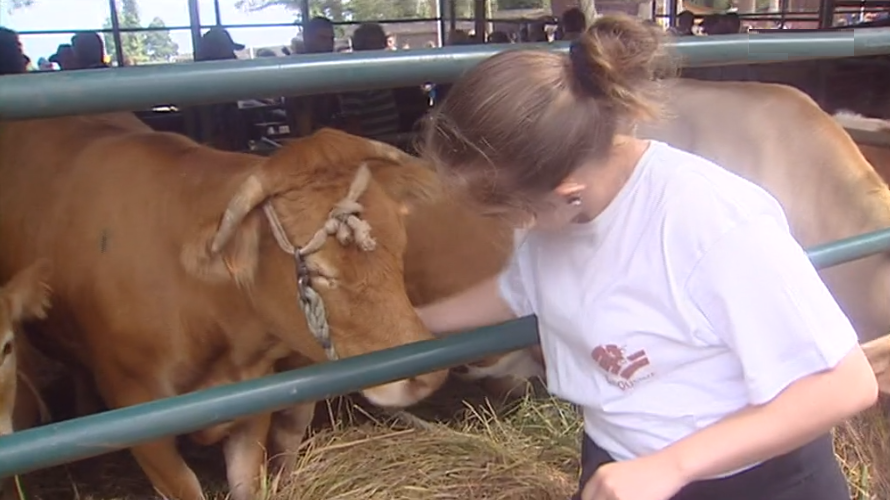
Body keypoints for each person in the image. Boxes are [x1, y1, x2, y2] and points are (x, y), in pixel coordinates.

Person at [416, 14, 877, 500]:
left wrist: (670, 467)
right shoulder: (564, 215)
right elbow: (519, 288)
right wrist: (410, 321)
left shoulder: (710, 221)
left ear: (565, 191)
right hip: (621, 466)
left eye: (511, 212)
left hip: (741, 480)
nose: (511, 226)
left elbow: (844, 385)